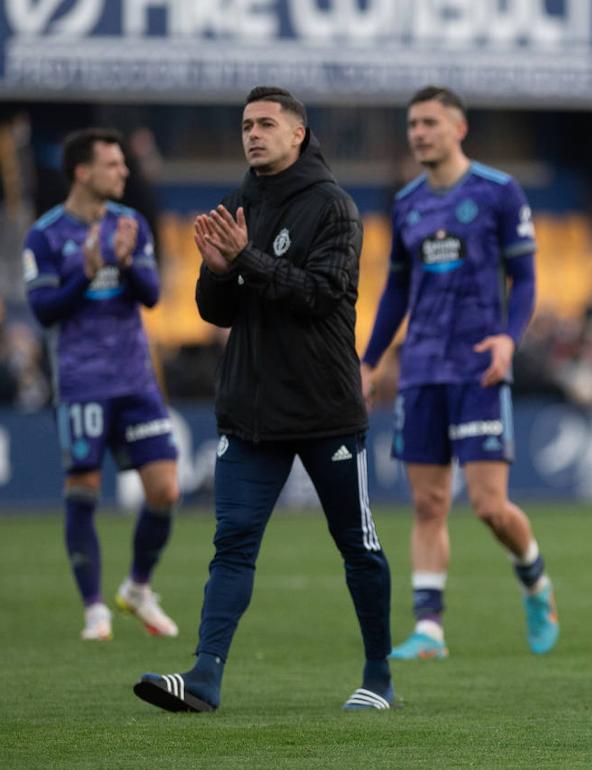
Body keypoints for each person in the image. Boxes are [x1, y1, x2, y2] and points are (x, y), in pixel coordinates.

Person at [133, 86, 393, 712]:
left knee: (356, 544)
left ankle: (379, 677)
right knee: (233, 543)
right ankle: (204, 677)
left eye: (266, 123)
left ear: (297, 133)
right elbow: (213, 310)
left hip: (324, 406)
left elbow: (322, 296)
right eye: (246, 124)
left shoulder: (334, 207)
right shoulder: (236, 201)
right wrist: (220, 271)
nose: (253, 133)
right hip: (249, 409)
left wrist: (243, 259)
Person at [360, 86, 557, 660]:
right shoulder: (407, 202)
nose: (418, 133)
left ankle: (535, 581)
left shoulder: (498, 192)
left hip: (478, 367)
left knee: (491, 507)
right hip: (420, 368)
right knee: (427, 504)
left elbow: (526, 279)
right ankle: (429, 629)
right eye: (412, 124)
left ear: (458, 128)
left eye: (429, 122)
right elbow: (396, 289)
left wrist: (507, 338)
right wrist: (370, 359)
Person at [23, 128, 180, 642]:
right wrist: (86, 275)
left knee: (165, 490)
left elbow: (153, 296)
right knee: (85, 487)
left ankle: (137, 587)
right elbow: (44, 310)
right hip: (82, 380)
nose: (124, 172)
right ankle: (94, 607)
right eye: (113, 164)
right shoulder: (44, 235)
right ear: (83, 172)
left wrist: (128, 262)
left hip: (135, 377)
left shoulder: (131, 223)